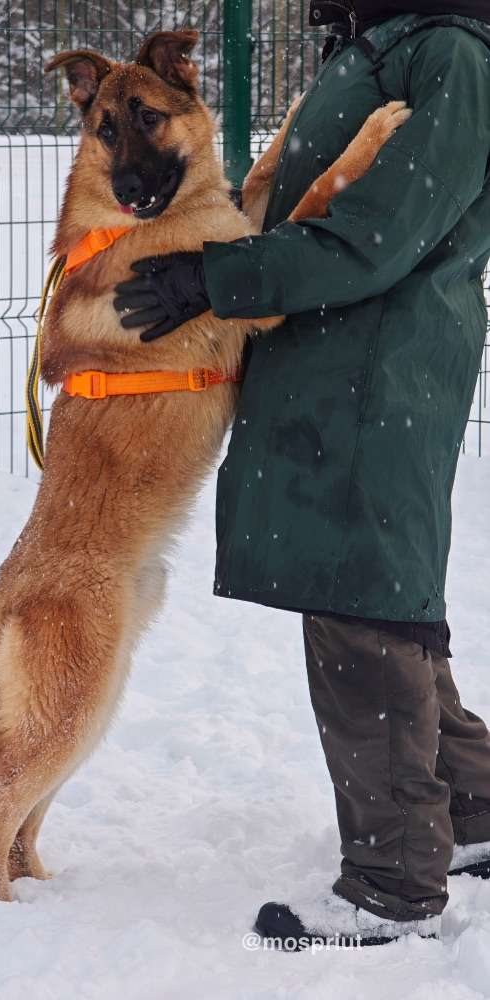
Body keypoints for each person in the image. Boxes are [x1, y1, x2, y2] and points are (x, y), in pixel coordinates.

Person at [114, 0, 490, 948]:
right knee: (381, 600)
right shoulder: (380, 44)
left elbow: (378, 235)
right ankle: (476, 811)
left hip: (378, 367)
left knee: (363, 619)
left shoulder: (449, 52)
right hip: (344, 366)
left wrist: (219, 278)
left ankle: (392, 886)